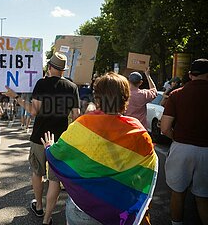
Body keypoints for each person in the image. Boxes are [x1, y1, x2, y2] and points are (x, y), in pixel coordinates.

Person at [41, 72, 158, 225]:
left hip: (82, 210)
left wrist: (49, 147)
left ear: (97, 99)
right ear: (125, 98)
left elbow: (60, 153)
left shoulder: (83, 124)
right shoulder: (138, 130)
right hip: (119, 212)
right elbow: (146, 168)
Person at [5, 52, 80, 224]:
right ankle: (47, 219)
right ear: (63, 70)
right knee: (54, 179)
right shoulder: (72, 87)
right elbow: (76, 116)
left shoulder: (41, 83)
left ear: (51, 67)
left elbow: (33, 111)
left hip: (40, 136)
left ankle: (38, 206)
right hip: (60, 140)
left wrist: (16, 96)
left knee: (37, 173)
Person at [160, 58, 208, 225]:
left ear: (190, 75)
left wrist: (177, 138)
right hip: (206, 151)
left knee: (177, 193)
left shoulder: (177, 94)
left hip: (181, 148)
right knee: (203, 197)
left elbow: (165, 128)